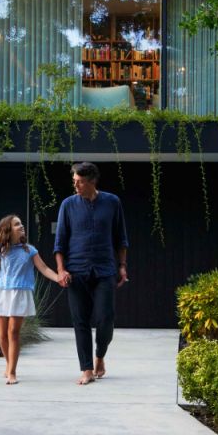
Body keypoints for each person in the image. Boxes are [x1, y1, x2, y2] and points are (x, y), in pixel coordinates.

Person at [53, 161, 129, 385]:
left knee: (106, 319)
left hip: (105, 270)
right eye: (74, 181)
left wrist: (122, 266)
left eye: (79, 182)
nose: (75, 185)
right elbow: (59, 243)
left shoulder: (112, 202)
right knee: (80, 321)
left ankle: (100, 355)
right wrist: (61, 269)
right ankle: (86, 369)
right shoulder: (68, 205)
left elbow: (120, 238)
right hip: (76, 272)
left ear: (91, 181)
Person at [0, 214, 63, 385]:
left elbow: (43, 268)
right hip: (2, 293)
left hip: (21, 294)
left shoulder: (29, 250)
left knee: (13, 333)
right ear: (7, 230)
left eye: (21, 224)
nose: (21, 226)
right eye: (17, 224)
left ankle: (12, 372)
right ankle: (8, 364)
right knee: (2, 335)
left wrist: (58, 278)